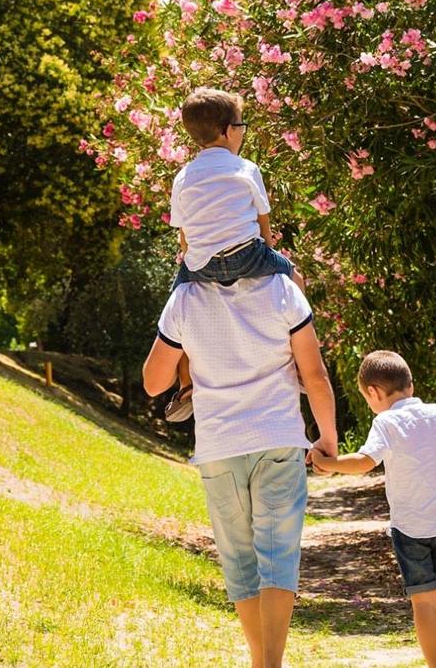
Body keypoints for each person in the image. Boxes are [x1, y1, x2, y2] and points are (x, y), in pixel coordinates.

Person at [142, 269, 336, 668]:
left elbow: (151, 382)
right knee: (277, 558)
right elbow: (315, 376)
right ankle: (271, 663)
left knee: (240, 563)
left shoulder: (185, 298)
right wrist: (328, 439)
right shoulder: (283, 288)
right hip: (278, 438)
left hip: (219, 446)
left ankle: (260, 661)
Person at [310, 351, 436, 668]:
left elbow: (366, 461)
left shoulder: (386, 422)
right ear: (410, 384)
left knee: (423, 601)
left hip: (410, 528)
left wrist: (328, 463)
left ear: (373, 392)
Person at [163, 87, 302, 422]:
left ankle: (185, 385)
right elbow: (262, 222)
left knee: (175, 311)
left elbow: (184, 234)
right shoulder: (245, 169)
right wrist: (269, 258)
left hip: (201, 262)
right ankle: (298, 361)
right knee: (296, 279)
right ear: (227, 131)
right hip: (247, 254)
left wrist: (194, 265)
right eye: (241, 125)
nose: (242, 132)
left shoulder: (182, 177)